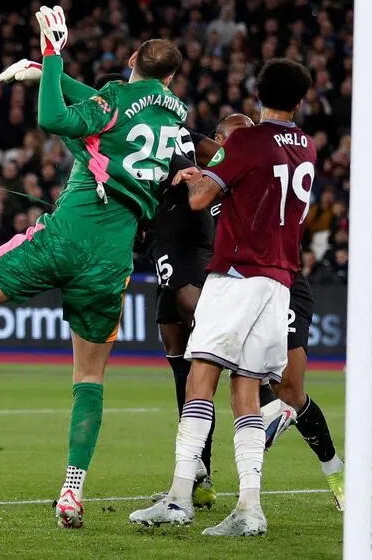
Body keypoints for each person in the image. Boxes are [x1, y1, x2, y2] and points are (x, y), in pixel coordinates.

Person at [0, 6, 186, 531]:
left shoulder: (111, 103)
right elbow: (115, 110)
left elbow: (55, 118)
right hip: (112, 261)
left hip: (64, 238)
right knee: (89, 378)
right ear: (172, 76)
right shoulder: (175, 118)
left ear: (132, 60)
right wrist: (46, 73)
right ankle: (72, 492)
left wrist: (51, 58)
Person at [128, 58, 316, 537]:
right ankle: (250, 508)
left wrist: (191, 172)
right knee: (246, 391)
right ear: (299, 102)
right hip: (279, 281)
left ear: (258, 94)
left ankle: (178, 498)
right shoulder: (307, 146)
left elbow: (199, 198)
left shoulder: (246, 142)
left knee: (200, 379)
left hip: (236, 274)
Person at [146, 111, 253, 510]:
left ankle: (257, 381)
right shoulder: (176, 136)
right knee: (181, 363)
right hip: (168, 238)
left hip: (190, 245)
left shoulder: (219, 158)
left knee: (201, 337)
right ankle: (199, 475)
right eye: (237, 137)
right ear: (220, 136)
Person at [258, 271, 346, 510]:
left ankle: (334, 469)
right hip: (240, 286)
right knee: (241, 377)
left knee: (289, 393)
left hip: (282, 281)